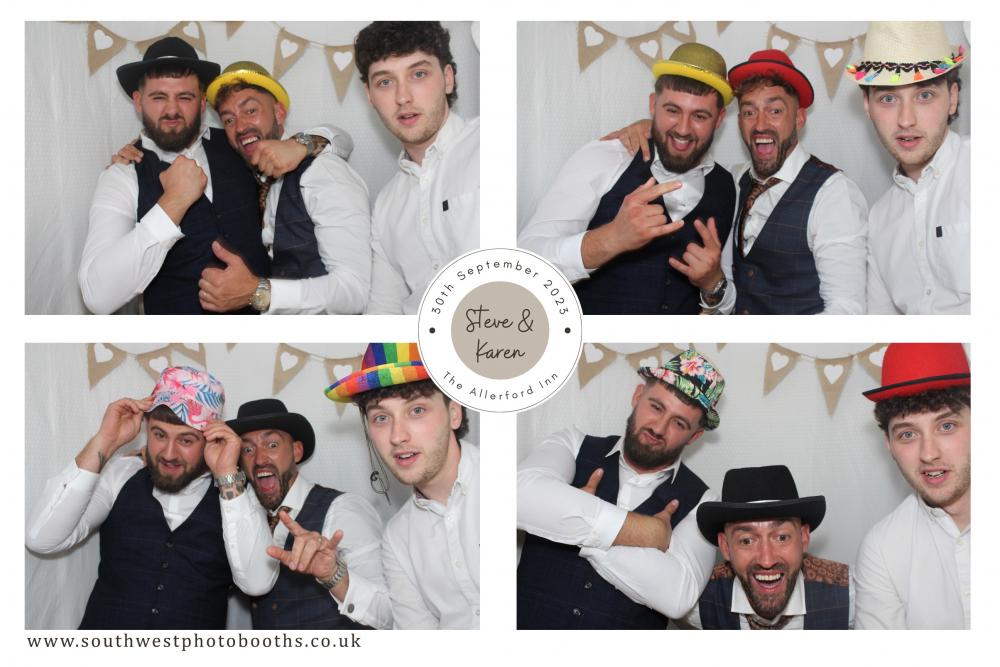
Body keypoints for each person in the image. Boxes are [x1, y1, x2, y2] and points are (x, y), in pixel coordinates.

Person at [80, 37, 331, 315]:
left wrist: (303, 144)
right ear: (138, 101)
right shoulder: (123, 174)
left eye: (185, 97)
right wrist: (173, 203)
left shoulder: (237, 141)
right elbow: (97, 296)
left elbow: (340, 141)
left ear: (202, 102)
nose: (172, 110)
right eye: (159, 97)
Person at [518, 44, 737, 315]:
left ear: (719, 119)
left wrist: (713, 285)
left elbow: (724, 295)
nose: (683, 128)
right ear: (653, 105)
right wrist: (610, 238)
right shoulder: (606, 158)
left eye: (700, 116)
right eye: (672, 110)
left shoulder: (727, 186)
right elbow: (525, 265)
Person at [517, 349, 725, 628]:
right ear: (638, 396)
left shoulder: (703, 501)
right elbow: (517, 497)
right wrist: (645, 532)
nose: (659, 428)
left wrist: (573, 522)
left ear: (694, 436)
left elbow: (677, 595)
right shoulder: (573, 443)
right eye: (656, 407)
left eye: (679, 423)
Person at [25, 367, 234, 629]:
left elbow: (256, 583)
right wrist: (106, 440)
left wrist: (228, 477)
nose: (169, 453)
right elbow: (41, 539)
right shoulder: (121, 473)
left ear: (211, 440)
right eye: (159, 435)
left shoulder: (235, 493)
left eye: (186, 440)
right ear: (146, 428)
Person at [325, 342, 480, 628]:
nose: (397, 436)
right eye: (381, 418)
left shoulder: (512, 484)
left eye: (416, 410)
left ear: (454, 413)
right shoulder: (398, 538)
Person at [196, 61, 372, 314]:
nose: (240, 127)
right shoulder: (252, 172)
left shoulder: (323, 172)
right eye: (229, 119)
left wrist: (259, 293)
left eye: (251, 110)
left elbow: (354, 292)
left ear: (279, 113)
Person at [201, 398, 390, 629]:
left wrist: (334, 575)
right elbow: (254, 584)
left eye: (272, 445)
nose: (259, 459)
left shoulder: (344, 509)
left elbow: (389, 612)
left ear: (296, 451)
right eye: (247, 449)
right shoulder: (243, 513)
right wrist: (226, 473)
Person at [354, 22, 480, 314]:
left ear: (448, 79)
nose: (403, 97)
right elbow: (383, 313)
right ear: (370, 96)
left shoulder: (492, 144)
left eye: (418, 74)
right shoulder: (386, 205)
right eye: (385, 82)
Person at [848, 22, 969, 314]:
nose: (905, 120)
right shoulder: (879, 219)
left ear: (952, 98)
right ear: (867, 106)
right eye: (888, 99)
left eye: (924, 95)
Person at [855, 343, 970, 629]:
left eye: (946, 426)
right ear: (889, 445)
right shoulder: (882, 548)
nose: (928, 454)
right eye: (908, 434)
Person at [688, 465, 851, 629]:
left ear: (803, 538)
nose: (767, 561)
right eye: (747, 541)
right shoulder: (695, 601)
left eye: (782, 538)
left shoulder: (851, 595)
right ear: (725, 546)